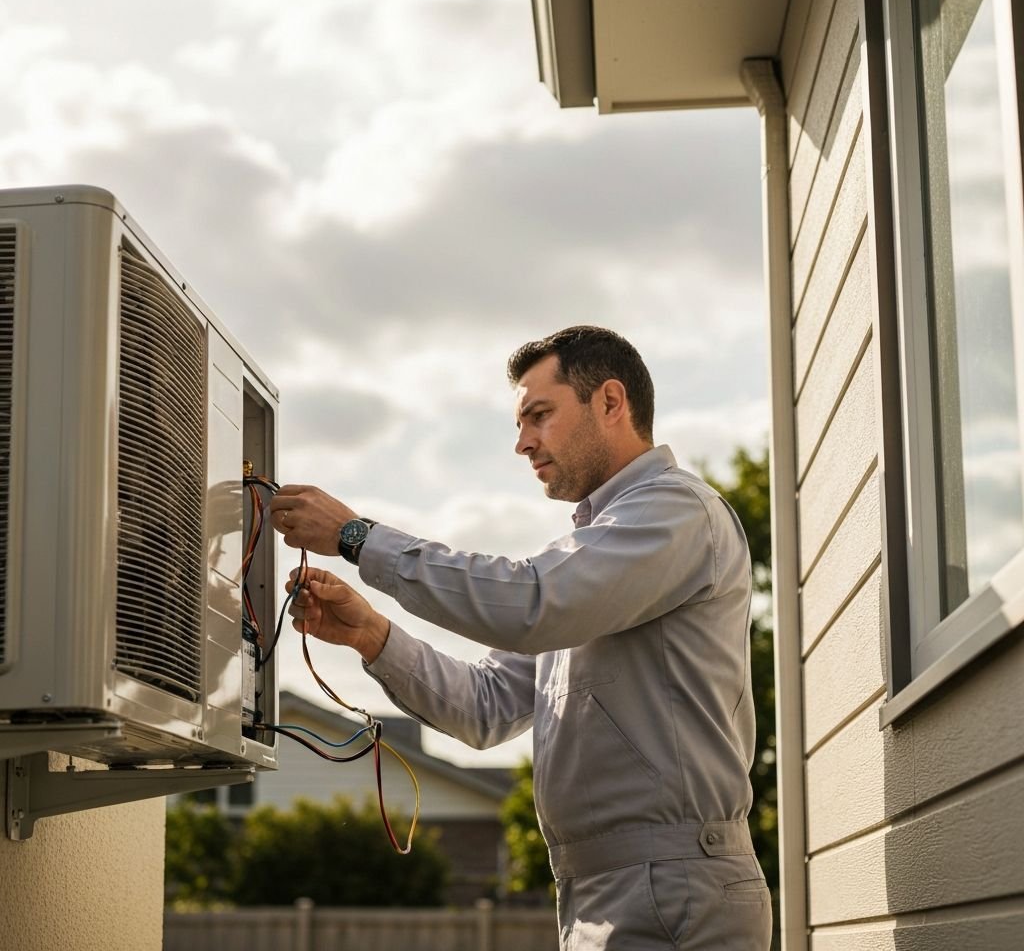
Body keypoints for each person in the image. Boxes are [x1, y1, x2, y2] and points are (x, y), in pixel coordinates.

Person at [269, 325, 772, 950]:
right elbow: (486, 708)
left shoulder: (674, 513)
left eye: (539, 416)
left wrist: (356, 538)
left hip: (673, 890)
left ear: (610, 403)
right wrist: (372, 635)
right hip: (606, 890)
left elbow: (531, 603)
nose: (522, 443)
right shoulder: (590, 559)